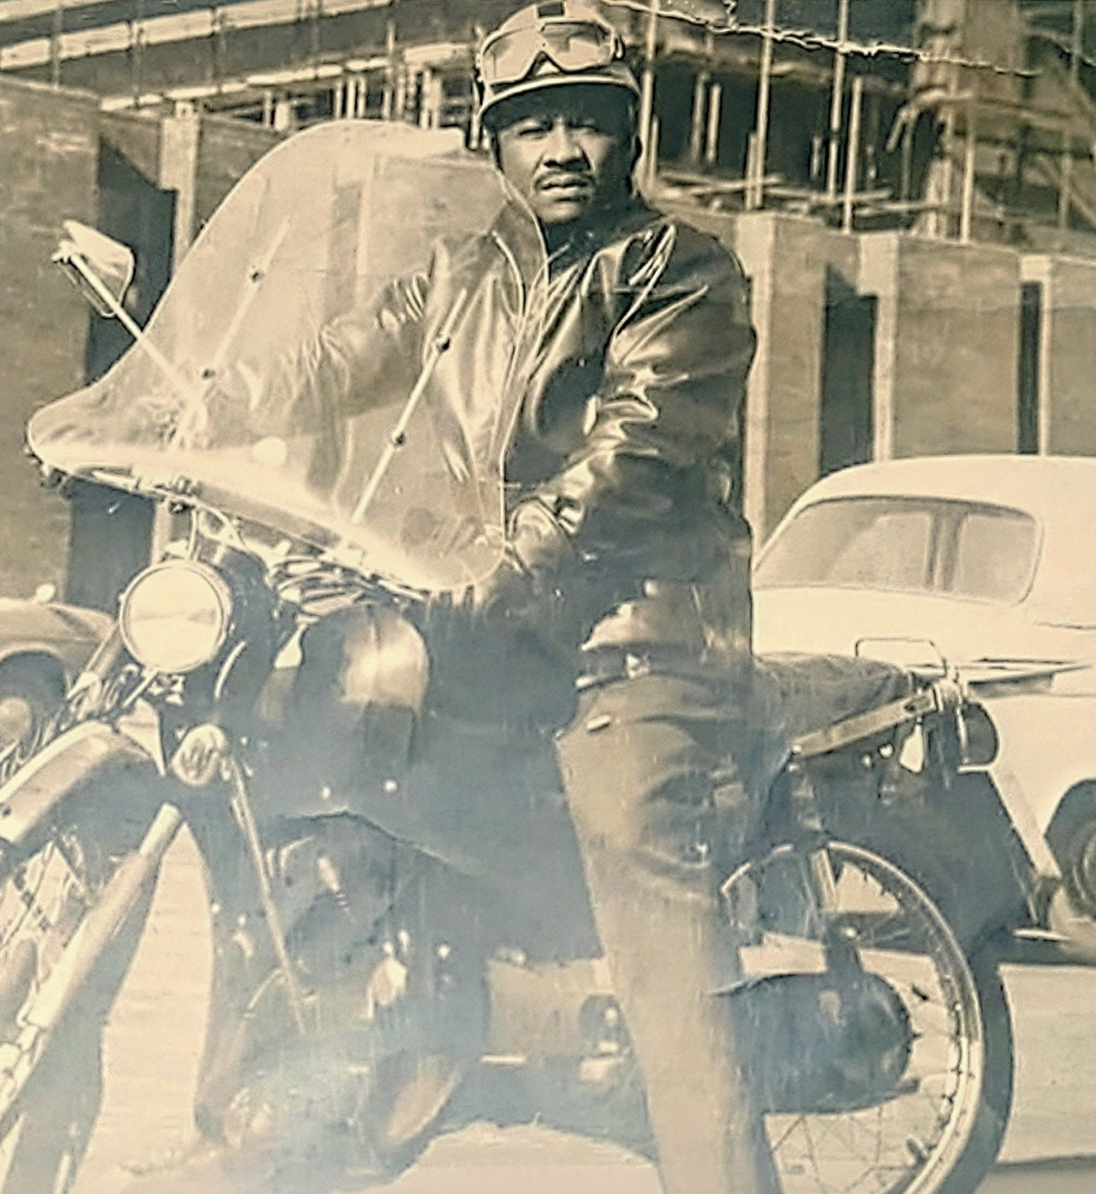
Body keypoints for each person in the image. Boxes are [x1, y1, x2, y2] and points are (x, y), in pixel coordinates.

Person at [458, 4, 779, 1192]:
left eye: (585, 122)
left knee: (643, 875)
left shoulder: (683, 271)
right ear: (490, 146)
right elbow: (346, 362)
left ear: (628, 136)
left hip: (641, 641)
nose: (559, 149)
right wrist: (188, 413)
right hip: (501, 627)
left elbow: (636, 453)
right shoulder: (471, 283)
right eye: (529, 124)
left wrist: (518, 553)